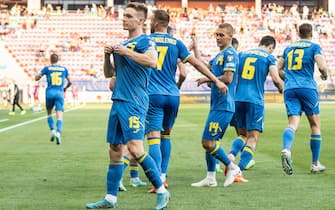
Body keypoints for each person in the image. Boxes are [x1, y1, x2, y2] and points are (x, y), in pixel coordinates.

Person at [86, 3, 169, 209]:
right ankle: (110, 198)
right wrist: (108, 57)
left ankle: (161, 190)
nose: (124, 19)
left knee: (135, 147)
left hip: (135, 102)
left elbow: (152, 61)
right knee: (115, 150)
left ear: (140, 21)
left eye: (129, 16)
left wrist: (124, 52)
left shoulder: (145, 41)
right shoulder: (122, 44)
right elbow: (109, 74)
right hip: (118, 101)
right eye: (124, 15)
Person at [146, 10, 228, 193]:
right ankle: (163, 176)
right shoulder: (177, 43)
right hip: (173, 95)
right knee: (166, 135)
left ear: (154, 22)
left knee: (153, 138)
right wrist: (215, 80)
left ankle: (157, 181)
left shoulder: (146, 41)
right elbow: (195, 66)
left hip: (153, 94)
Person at [226, 35, 283, 182]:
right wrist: (282, 89)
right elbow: (276, 79)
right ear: (271, 47)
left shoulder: (242, 54)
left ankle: (231, 156)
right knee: (253, 138)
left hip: (238, 98)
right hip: (255, 100)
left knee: (242, 135)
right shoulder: (269, 58)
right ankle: (237, 171)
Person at [190, 23, 240, 188]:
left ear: (230, 36)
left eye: (221, 35)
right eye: (216, 35)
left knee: (208, 142)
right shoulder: (220, 55)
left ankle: (232, 167)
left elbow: (228, 78)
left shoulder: (230, 54)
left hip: (224, 105)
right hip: (217, 104)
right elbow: (205, 67)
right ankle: (211, 177)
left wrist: (208, 79)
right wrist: (195, 48)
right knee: (211, 142)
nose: (218, 38)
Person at [278, 23, 328, 175]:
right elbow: (321, 66)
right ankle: (315, 163)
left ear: (298, 33)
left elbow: (279, 68)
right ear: (311, 33)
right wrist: (324, 75)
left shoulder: (288, 48)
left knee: (293, 123)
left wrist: (290, 78)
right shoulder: (314, 46)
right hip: (307, 88)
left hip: (290, 88)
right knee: (315, 124)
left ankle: (286, 149)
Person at [108, 77, 147, 192]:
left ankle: (134, 177)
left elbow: (112, 85)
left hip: (133, 102)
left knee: (133, 145)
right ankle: (119, 178)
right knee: (134, 146)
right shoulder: (135, 63)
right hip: (137, 103)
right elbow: (112, 84)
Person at [35, 53, 72, 145]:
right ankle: (58, 132)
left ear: (50, 60)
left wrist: (38, 75)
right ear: (58, 59)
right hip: (59, 93)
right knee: (59, 114)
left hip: (50, 93)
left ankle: (53, 131)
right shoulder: (64, 69)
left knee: (49, 113)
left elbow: (36, 78)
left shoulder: (47, 68)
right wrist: (65, 88)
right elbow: (70, 81)